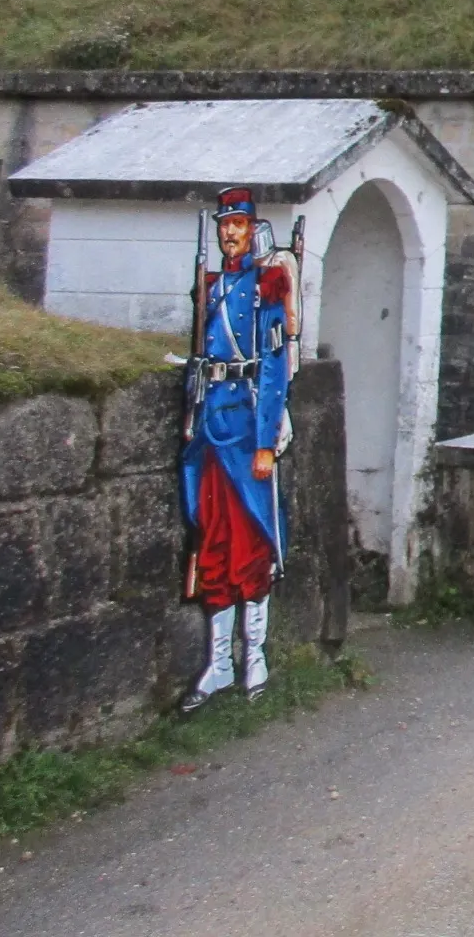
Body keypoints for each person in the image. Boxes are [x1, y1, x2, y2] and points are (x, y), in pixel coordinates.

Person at [179, 188, 298, 710]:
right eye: (225, 224)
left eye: (238, 225)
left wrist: (267, 441)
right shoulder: (212, 286)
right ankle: (219, 663)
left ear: (253, 230)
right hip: (210, 429)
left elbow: (273, 368)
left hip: (247, 428)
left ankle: (256, 657)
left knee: (251, 546)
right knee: (214, 547)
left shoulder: (265, 286)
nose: (230, 233)